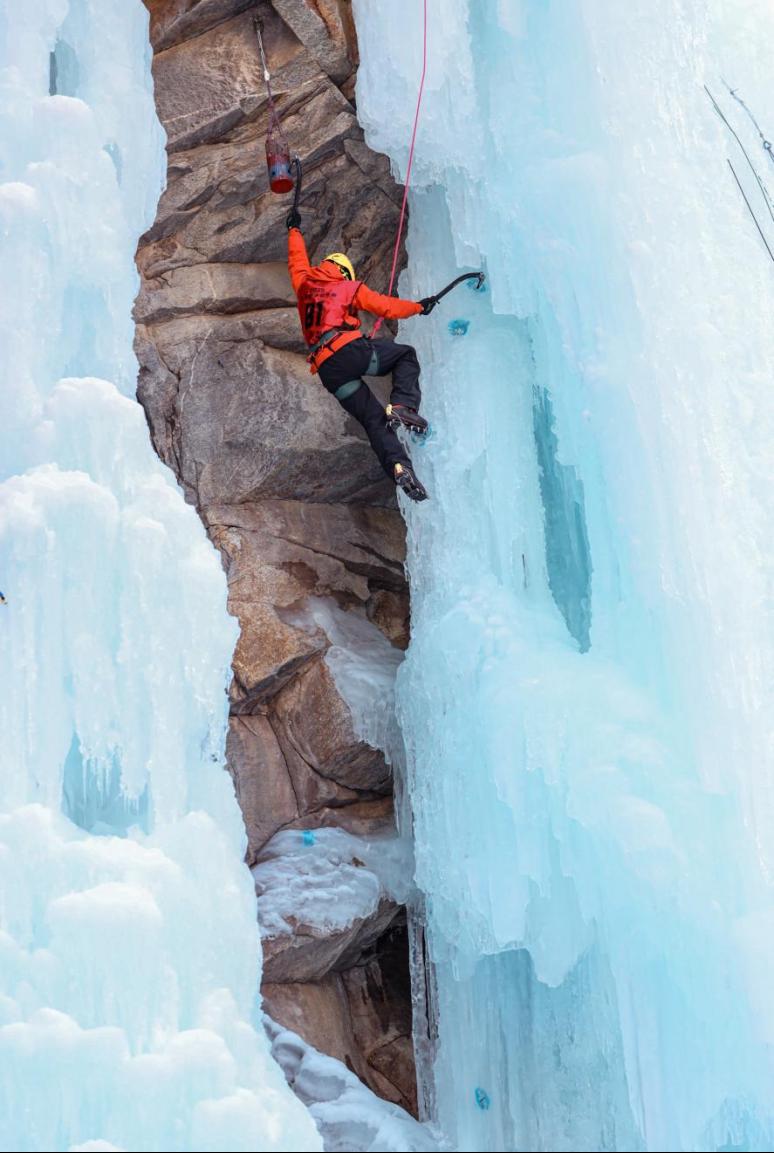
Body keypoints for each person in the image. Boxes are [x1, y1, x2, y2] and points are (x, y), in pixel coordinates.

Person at [286, 207, 436, 502]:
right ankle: (403, 405)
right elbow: (387, 307)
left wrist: (294, 231)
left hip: (328, 370)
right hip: (348, 351)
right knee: (405, 356)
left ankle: (399, 467)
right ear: (344, 272)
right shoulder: (347, 286)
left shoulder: (304, 284)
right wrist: (419, 307)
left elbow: (297, 261)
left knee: (373, 420)